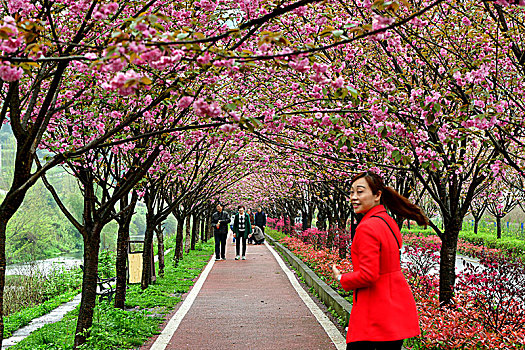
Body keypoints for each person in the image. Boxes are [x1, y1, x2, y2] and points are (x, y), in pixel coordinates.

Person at [331, 171, 428, 350]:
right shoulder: (388, 221)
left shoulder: (367, 227)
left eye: (360, 192)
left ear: (377, 195)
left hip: (374, 313)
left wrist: (341, 278)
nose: (353, 197)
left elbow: (369, 275)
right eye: (351, 192)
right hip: (394, 308)